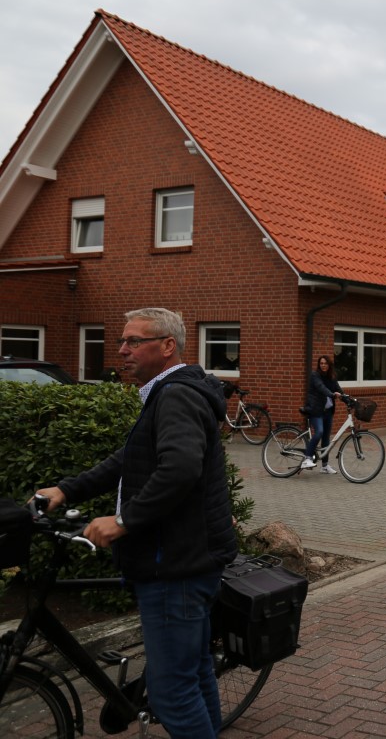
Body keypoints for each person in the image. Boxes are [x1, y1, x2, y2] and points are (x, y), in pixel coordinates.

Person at [35, 307, 237, 737]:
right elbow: (129, 460)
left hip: (175, 566)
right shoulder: (170, 392)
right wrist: (67, 490)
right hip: (187, 559)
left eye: (134, 341)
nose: (122, 350)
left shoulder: (177, 395)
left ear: (167, 346)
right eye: (121, 341)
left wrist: (123, 521)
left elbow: (180, 469)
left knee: (173, 693)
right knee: (195, 672)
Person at [301, 354, 342, 473]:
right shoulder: (315, 375)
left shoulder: (332, 377)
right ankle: (307, 458)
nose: (323, 365)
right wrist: (332, 394)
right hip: (316, 410)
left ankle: (324, 466)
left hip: (328, 412)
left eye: (325, 363)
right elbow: (321, 387)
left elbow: (339, 390)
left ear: (329, 365)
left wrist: (347, 399)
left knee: (326, 439)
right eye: (321, 363)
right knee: (319, 432)